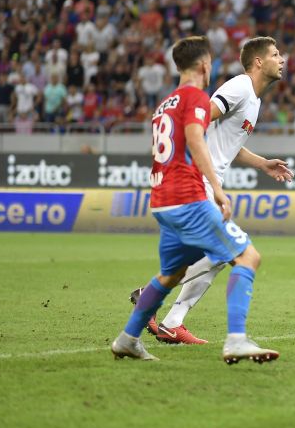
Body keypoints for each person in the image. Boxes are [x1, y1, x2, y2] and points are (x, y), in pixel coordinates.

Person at [111, 36, 278, 364]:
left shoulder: (167, 103)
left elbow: (199, 138)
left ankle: (129, 337)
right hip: (192, 192)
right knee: (247, 258)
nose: (281, 59)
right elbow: (196, 134)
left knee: (172, 274)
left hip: (163, 198)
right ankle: (235, 340)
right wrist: (215, 186)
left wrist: (260, 162)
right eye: (275, 54)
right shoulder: (212, 95)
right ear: (205, 65)